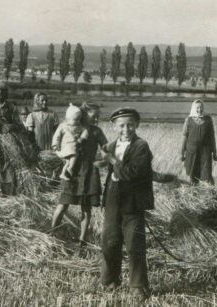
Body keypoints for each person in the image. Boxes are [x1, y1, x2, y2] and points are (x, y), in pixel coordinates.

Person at [99, 107, 154, 299]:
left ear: (137, 125)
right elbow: (95, 161)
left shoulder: (141, 146)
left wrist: (111, 160)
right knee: (109, 241)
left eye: (130, 124)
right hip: (113, 200)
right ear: (114, 127)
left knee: (134, 245)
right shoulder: (110, 146)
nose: (126, 129)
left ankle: (138, 286)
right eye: (121, 125)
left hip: (133, 202)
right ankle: (109, 281)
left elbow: (132, 173)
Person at [50, 102, 108, 247]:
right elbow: (58, 142)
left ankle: (82, 240)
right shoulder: (71, 126)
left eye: (98, 116)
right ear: (84, 114)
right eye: (94, 116)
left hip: (89, 171)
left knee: (86, 208)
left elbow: (106, 147)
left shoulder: (97, 131)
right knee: (63, 203)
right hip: (72, 171)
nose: (96, 119)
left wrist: (104, 160)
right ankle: (51, 233)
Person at [180, 99, 217, 184]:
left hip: (205, 152)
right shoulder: (188, 120)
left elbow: (212, 137)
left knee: (207, 176)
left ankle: (208, 194)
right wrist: (182, 153)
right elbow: (184, 137)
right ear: (193, 108)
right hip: (192, 152)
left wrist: (215, 153)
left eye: (201, 107)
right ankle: (193, 193)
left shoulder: (208, 120)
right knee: (191, 176)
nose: (199, 110)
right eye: (197, 108)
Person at [52, 104, 89, 181]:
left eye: (79, 119)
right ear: (68, 118)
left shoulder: (79, 126)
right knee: (75, 155)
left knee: (68, 161)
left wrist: (82, 138)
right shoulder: (63, 126)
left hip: (73, 146)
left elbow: (85, 131)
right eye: (75, 120)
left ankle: (63, 173)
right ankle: (70, 168)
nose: (78, 122)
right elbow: (56, 136)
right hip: (66, 146)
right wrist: (55, 144)